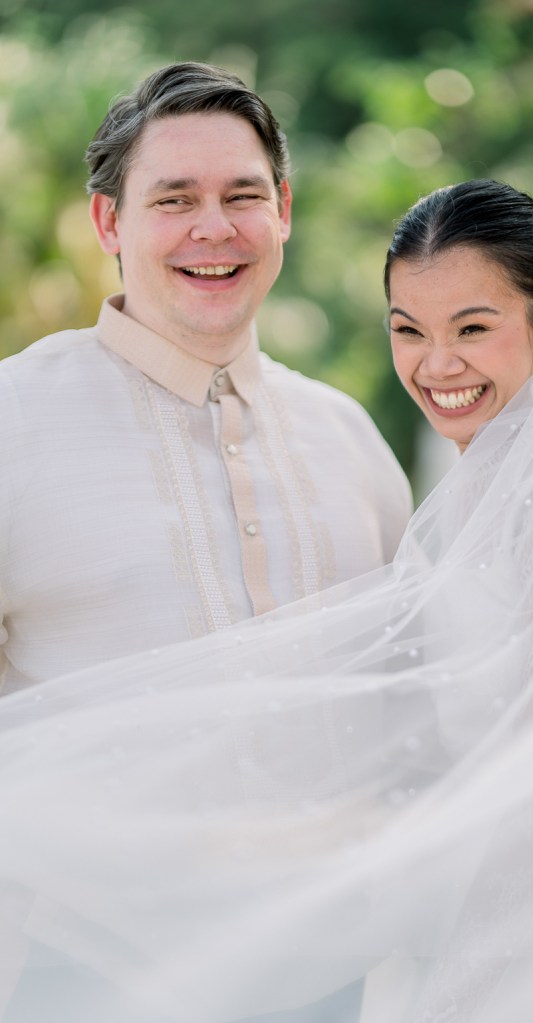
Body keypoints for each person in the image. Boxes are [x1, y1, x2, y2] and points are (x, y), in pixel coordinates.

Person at [1, 179, 533, 1022]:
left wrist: (471, 981)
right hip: (456, 923)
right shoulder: (475, 489)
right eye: (409, 331)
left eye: (473, 328)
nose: (437, 366)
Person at [0, 62, 412, 696]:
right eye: (175, 199)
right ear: (108, 222)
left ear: (283, 212)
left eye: (243, 197)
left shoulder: (348, 436)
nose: (215, 228)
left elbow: (409, 685)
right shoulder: (14, 418)